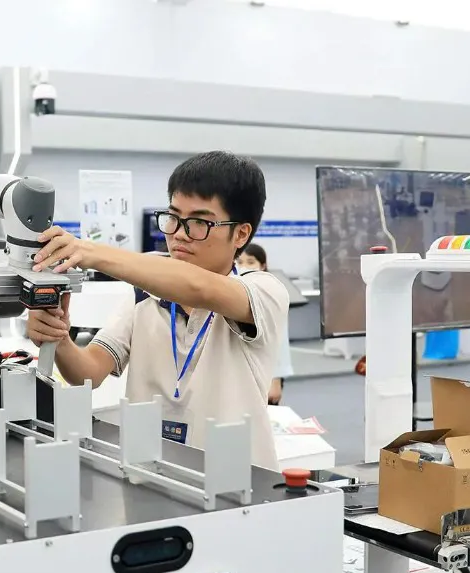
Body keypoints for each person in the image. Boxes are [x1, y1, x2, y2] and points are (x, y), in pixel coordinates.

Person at [26, 151, 288, 467]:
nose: (179, 234)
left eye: (199, 223)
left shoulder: (263, 292)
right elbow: (88, 374)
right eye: (173, 217)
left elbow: (199, 287)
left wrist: (90, 251)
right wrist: (59, 338)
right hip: (155, 474)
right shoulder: (144, 296)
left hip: (236, 479)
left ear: (241, 233)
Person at [236, 242, 293, 405]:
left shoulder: (271, 294)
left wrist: (275, 379)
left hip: (265, 371)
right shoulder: (233, 291)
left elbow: (280, 340)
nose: (244, 267)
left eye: (250, 262)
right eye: (240, 262)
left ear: (262, 265)